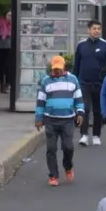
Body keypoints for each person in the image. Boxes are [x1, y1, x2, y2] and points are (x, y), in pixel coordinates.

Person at [35, 55, 86, 186]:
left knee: (68, 147)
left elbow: (78, 98)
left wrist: (80, 113)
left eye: (59, 69)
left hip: (68, 120)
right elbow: (40, 101)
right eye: (54, 69)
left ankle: (68, 167)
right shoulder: (46, 81)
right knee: (51, 149)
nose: (56, 71)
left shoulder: (73, 79)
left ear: (64, 68)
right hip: (50, 120)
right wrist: (38, 118)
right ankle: (53, 175)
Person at [73, 20, 106, 146]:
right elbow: (77, 65)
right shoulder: (81, 45)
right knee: (84, 108)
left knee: (98, 110)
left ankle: (96, 135)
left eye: (98, 29)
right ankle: (84, 135)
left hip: (100, 83)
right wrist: (74, 82)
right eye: (94, 28)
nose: (96, 31)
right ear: (88, 30)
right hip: (83, 82)